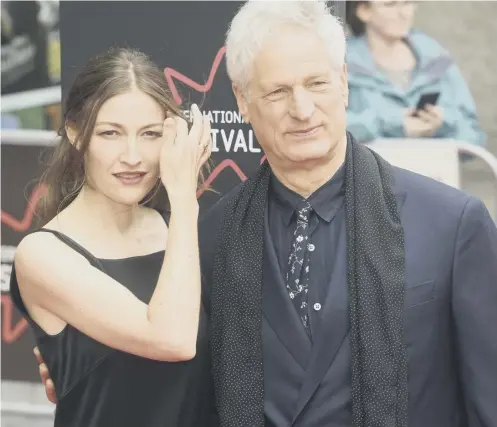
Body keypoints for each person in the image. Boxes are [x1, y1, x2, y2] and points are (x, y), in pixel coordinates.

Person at [37, 2, 497, 427]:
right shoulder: (210, 238)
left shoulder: (453, 226)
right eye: (277, 91)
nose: (302, 109)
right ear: (241, 100)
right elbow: (173, 363)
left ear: (343, 81)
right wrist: (80, 363)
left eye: (316, 83)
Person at [11, 47, 215, 427]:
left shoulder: (182, 231)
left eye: (150, 134)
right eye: (110, 134)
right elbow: (172, 339)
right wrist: (185, 197)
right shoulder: (43, 255)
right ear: (75, 133)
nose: (133, 156)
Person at [345, 0, 487, 146]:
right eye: (390, 4)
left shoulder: (436, 58)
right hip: (371, 166)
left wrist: (444, 124)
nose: (403, 13)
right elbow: (330, 127)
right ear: (363, 11)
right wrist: (393, 123)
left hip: (432, 166)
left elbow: (473, 134)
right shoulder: (338, 62)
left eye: (408, 3)